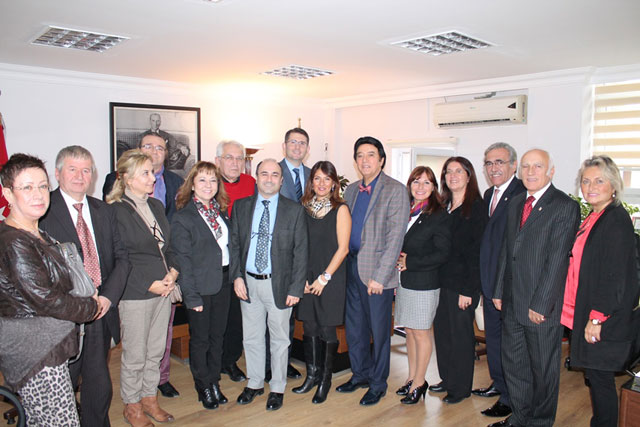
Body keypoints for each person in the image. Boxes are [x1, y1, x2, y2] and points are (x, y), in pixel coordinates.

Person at [0, 153, 99, 426]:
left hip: (48, 348)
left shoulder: (37, 234)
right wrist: (92, 306)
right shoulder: (14, 242)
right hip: (36, 354)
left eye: (43, 186)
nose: (38, 194)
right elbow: (47, 300)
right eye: (27, 187)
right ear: (7, 194)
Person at [40, 146, 130, 427]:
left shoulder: (104, 210)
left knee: (98, 382)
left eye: (86, 170)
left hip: (100, 309)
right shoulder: (43, 211)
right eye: (72, 169)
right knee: (63, 383)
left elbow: (122, 259)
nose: (80, 176)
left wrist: (107, 298)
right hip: (64, 316)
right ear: (57, 174)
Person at [492, 149, 580, 427]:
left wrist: (540, 304)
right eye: (526, 166)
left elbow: (557, 260)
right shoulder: (517, 202)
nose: (530, 172)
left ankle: (540, 422)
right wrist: (498, 290)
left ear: (551, 171)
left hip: (541, 307)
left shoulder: (564, 206)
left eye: (538, 166)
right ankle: (520, 417)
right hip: (512, 300)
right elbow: (507, 250)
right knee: (515, 366)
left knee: (543, 371)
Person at [104, 133, 184, 398]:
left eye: (152, 172)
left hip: (164, 289)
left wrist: (173, 273)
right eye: (146, 174)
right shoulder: (115, 211)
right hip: (137, 293)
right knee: (136, 355)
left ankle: (149, 398)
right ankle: (132, 403)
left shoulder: (156, 206)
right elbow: (118, 258)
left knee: (155, 351)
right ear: (127, 178)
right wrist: (148, 283)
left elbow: (168, 247)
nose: (153, 178)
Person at [561, 155, 639, 427]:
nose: (591, 187)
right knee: (596, 377)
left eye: (599, 181)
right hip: (587, 310)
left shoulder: (615, 220)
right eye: (586, 181)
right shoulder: (595, 216)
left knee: (600, 379)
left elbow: (614, 276)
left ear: (613, 185)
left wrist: (596, 318)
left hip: (603, 317)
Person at [336, 137, 409, 407]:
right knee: (355, 328)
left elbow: (395, 238)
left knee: (379, 333)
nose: (364, 160)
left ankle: (378, 384)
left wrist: (381, 276)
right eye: (360, 155)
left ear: (381, 160)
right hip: (351, 268)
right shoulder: (351, 190)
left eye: (370, 155)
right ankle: (360, 375)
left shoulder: (396, 190)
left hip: (377, 275)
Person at [230, 159, 308, 411]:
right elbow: (234, 245)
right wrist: (237, 276)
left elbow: (301, 253)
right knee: (251, 338)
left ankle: (277, 387)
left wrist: (296, 288)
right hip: (248, 283)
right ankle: (254, 383)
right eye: (264, 173)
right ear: (256, 177)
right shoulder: (241, 207)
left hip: (280, 285)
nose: (269, 178)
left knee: (280, 340)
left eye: (275, 174)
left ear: (281, 180)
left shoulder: (294, 210)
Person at [170, 161, 232, 410]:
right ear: (192, 185)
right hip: (199, 287)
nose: (208, 185)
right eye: (202, 180)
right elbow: (183, 261)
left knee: (218, 337)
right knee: (200, 340)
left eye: (213, 180)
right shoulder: (183, 217)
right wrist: (191, 296)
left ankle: (214, 381)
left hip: (223, 283)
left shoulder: (221, 212)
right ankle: (203, 385)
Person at [473, 143, 525, 420]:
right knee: (493, 339)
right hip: (489, 283)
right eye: (489, 163)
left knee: (509, 345)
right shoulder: (489, 194)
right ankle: (499, 383)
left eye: (500, 162)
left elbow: (516, 247)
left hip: (508, 287)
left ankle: (510, 398)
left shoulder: (521, 194)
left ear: (513, 165)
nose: (493, 168)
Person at [429, 157, 487, 404]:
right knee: (443, 334)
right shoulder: (443, 206)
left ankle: (461, 387)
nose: (452, 176)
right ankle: (447, 379)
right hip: (440, 281)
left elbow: (478, 252)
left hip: (462, 285)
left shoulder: (477, 208)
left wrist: (468, 290)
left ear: (468, 176)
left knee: (461, 337)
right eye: (448, 172)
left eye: (458, 171)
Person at [293, 161, 351, 404]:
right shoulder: (303, 208)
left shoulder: (341, 209)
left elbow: (343, 249)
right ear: (311, 182)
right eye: (317, 178)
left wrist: (323, 278)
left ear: (334, 183)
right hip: (307, 278)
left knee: (326, 328)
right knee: (309, 327)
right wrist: (302, 278)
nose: (322, 183)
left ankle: (325, 380)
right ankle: (312, 375)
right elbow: (298, 245)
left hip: (330, 278)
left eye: (327, 179)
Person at [395, 166, 451, 404]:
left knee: (421, 332)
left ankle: (420, 382)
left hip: (424, 283)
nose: (420, 187)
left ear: (434, 188)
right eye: (416, 182)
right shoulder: (407, 211)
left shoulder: (438, 215)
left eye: (426, 183)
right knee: (409, 330)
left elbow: (442, 253)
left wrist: (411, 262)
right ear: (409, 185)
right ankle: (411, 378)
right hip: (405, 281)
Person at [215, 140, 255, 383]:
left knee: (236, 316)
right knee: (218, 315)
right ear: (218, 160)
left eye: (239, 158)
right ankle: (215, 360)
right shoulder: (210, 182)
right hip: (217, 262)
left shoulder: (251, 183)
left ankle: (230, 360)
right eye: (229, 158)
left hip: (243, 260)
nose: (234, 163)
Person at [275, 127, 312, 380]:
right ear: (284, 146)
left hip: (307, 251)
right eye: (293, 142)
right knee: (281, 314)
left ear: (307, 148)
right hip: (280, 253)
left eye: (302, 143)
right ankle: (277, 363)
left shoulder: (313, 175)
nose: (297, 147)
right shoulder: (272, 171)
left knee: (299, 311)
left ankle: (289, 360)